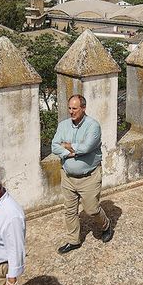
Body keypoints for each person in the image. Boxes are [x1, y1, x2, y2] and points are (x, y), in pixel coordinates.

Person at [51, 94, 113, 253]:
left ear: (83, 108)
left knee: (92, 210)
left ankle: (106, 226)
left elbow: (86, 147)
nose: (71, 111)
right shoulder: (63, 125)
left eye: (75, 108)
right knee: (69, 210)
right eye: (69, 108)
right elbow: (54, 147)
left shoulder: (93, 126)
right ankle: (73, 240)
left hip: (89, 177)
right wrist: (70, 152)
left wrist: (66, 146)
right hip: (67, 176)